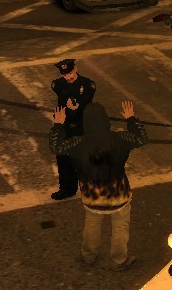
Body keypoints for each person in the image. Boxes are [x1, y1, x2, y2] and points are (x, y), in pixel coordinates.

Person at [50, 100, 149, 270]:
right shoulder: (119, 138)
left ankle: (88, 255)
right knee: (120, 226)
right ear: (105, 119)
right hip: (119, 196)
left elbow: (56, 147)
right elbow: (141, 138)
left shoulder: (78, 143)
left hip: (92, 197)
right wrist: (131, 119)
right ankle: (119, 260)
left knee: (92, 223)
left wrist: (58, 125)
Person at [49, 59, 96, 201]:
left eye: (70, 73)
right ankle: (67, 189)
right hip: (65, 127)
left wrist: (77, 104)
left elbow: (87, 98)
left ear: (75, 69)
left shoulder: (88, 84)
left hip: (82, 127)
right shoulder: (58, 84)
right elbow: (60, 91)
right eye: (65, 74)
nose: (68, 77)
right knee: (63, 159)